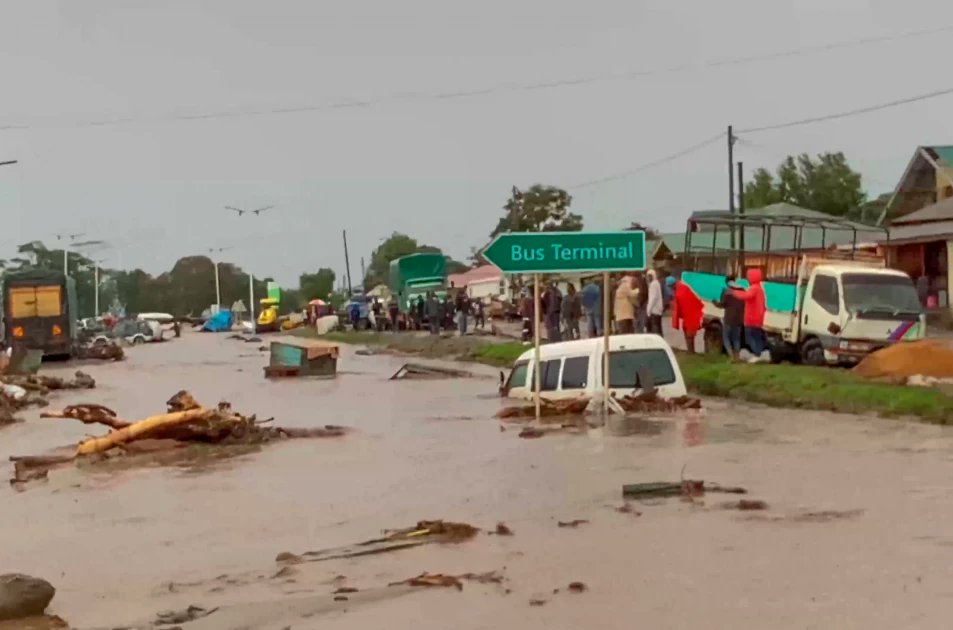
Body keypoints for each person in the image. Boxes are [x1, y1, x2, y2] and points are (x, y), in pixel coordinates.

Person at [736, 268, 767, 362]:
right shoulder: (760, 289)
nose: (747, 279)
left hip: (751, 319)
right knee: (757, 337)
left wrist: (734, 292)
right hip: (758, 319)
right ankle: (760, 355)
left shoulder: (754, 289)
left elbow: (745, 296)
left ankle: (757, 355)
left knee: (751, 338)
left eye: (748, 277)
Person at [671, 276, 704, 352]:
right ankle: (690, 351)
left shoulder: (681, 290)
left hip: (691, 314)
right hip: (689, 315)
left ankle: (691, 351)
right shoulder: (681, 288)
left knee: (689, 334)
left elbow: (682, 303)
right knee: (687, 332)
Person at [715, 274, 744, 359]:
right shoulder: (743, 290)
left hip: (729, 318)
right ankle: (737, 357)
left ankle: (731, 355)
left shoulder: (726, 291)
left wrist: (714, 302)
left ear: (727, 282)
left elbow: (722, 304)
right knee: (736, 339)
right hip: (739, 319)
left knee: (726, 337)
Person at [645, 270, 664, 335]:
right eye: (648, 276)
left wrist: (648, 310)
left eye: (650, 276)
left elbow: (653, 298)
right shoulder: (656, 283)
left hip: (654, 310)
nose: (648, 278)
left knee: (655, 328)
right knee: (658, 327)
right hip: (657, 310)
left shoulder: (653, 284)